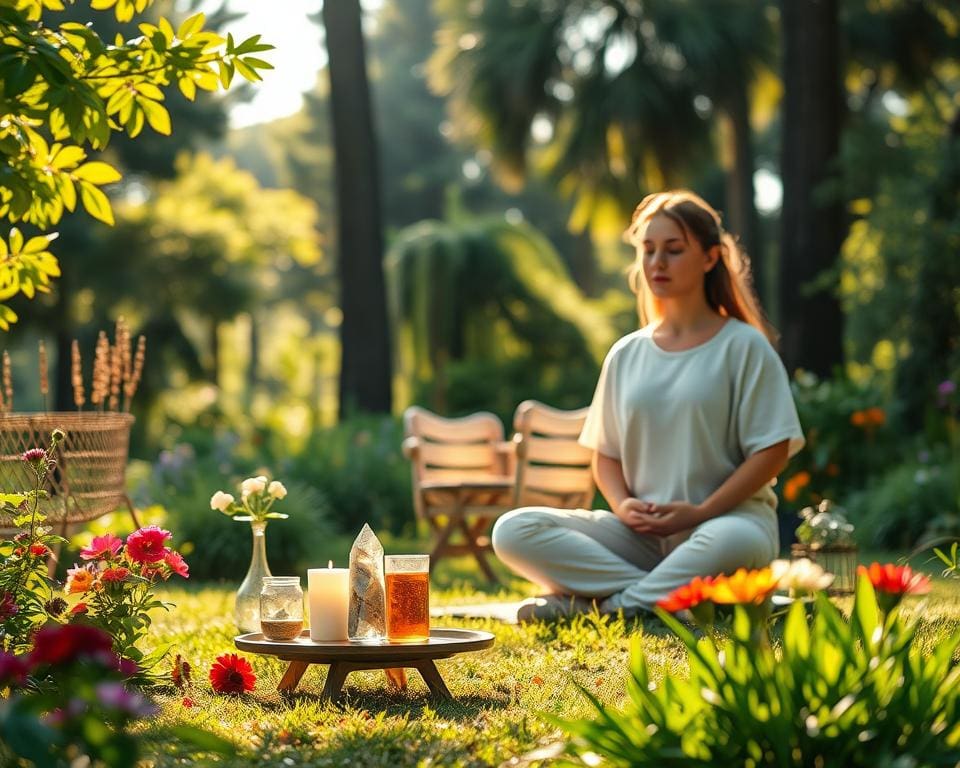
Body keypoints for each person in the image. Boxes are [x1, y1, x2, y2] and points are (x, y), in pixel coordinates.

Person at [492, 190, 804, 621]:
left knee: (736, 542)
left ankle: (603, 608)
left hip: (725, 526)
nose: (657, 262)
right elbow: (605, 454)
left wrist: (699, 512)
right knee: (513, 529)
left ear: (711, 258)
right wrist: (622, 506)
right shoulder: (626, 353)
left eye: (674, 250)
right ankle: (669, 599)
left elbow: (772, 452)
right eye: (648, 249)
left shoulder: (744, 346)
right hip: (640, 537)